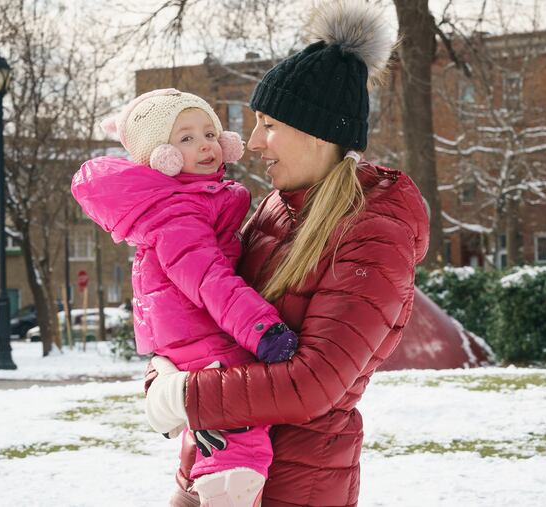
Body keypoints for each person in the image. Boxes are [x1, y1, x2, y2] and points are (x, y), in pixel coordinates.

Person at [144, 1, 429, 505]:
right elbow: (209, 310)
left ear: (319, 132)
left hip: (297, 485)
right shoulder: (277, 208)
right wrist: (163, 370)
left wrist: (185, 397)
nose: (253, 143)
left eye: (269, 124)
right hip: (217, 467)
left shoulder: (375, 233)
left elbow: (315, 382)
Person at [71, 88, 299, 507]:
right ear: (161, 155)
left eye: (210, 133)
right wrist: (262, 329)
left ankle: (192, 495)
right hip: (204, 337)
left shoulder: (193, 199)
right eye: (186, 138)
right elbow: (208, 278)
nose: (206, 145)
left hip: (195, 336)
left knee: (209, 439)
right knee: (238, 440)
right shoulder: (177, 214)